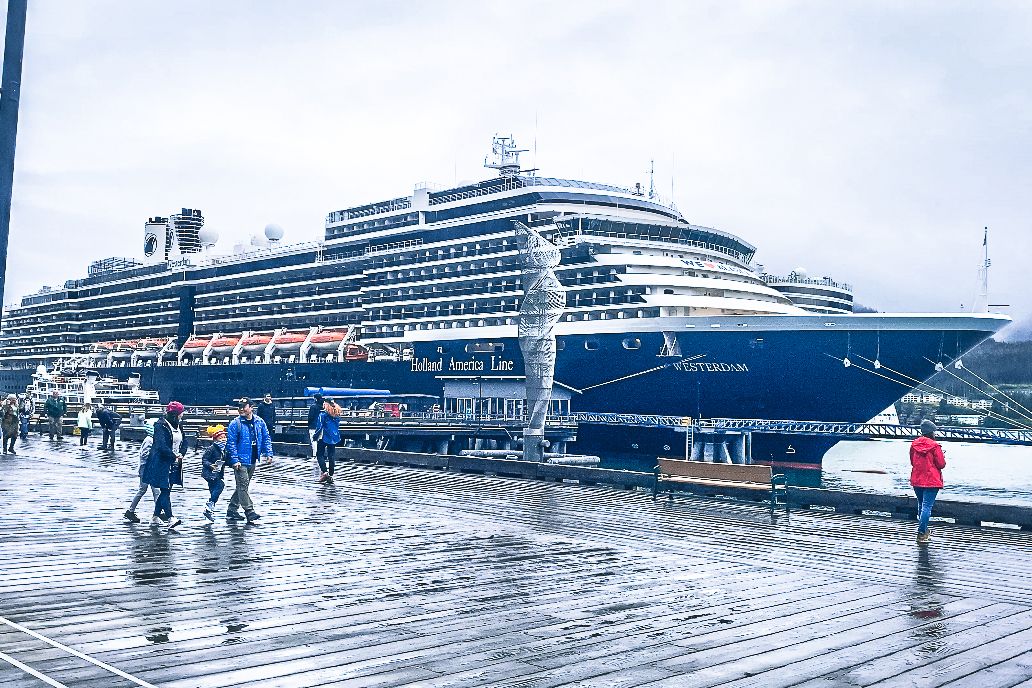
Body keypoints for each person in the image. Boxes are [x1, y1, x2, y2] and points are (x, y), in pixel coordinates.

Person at [225, 398, 272, 524]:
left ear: (251, 407)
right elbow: (231, 444)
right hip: (240, 461)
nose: (240, 409)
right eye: (239, 406)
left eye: (243, 406)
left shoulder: (259, 422)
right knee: (243, 485)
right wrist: (235, 460)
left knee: (242, 486)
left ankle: (232, 510)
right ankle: (249, 511)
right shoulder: (235, 424)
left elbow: (266, 437)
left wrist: (269, 453)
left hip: (252, 459)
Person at [142, 402, 186, 531]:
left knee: (166, 489)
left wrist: (181, 454)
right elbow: (161, 445)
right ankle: (170, 518)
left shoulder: (179, 426)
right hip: (161, 463)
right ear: (175, 414)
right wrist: (173, 456)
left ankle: (155, 516)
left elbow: (184, 441)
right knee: (165, 490)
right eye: (180, 413)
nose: (182, 415)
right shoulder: (160, 426)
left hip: (175, 463)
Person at [911, 419, 946, 544]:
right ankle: (921, 532)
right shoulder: (935, 446)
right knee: (927, 506)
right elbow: (941, 464)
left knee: (921, 505)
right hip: (931, 480)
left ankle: (923, 530)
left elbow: (912, 462)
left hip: (917, 478)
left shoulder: (914, 445)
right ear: (932, 432)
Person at [124, 420, 161, 524]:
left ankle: (157, 511)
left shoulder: (153, 439)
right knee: (143, 490)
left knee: (155, 491)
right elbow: (145, 454)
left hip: (151, 468)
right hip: (146, 469)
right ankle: (131, 511)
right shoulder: (149, 440)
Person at [201, 425, 229, 522]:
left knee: (214, 490)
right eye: (220, 438)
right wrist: (210, 465)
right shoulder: (212, 448)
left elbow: (226, 460)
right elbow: (204, 459)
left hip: (218, 472)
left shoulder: (224, 449)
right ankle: (210, 504)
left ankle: (209, 510)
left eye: (224, 437)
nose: (223, 439)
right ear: (215, 439)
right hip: (210, 473)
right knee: (220, 485)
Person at [315, 398, 342, 484]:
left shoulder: (323, 414)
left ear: (326, 404)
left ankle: (324, 471)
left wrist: (315, 436)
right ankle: (331, 474)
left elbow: (319, 426)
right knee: (331, 455)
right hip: (334, 436)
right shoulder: (337, 414)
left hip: (324, 436)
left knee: (319, 454)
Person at [307, 393, 324, 459]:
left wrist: (309, 424)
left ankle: (315, 455)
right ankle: (320, 454)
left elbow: (310, 417)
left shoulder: (313, 406)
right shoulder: (322, 406)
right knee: (320, 440)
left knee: (314, 440)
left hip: (313, 426)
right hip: (321, 426)